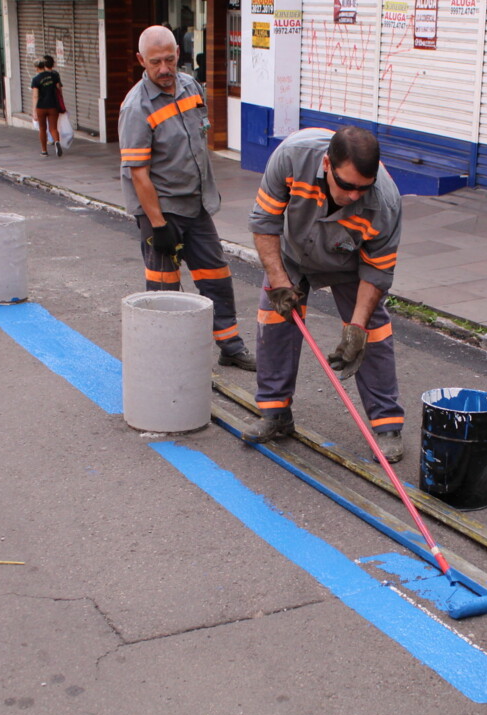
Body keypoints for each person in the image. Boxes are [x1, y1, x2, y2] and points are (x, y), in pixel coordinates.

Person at [242, 126, 406, 463]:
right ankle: (275, 414)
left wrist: (356, 328)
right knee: (275, 322)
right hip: (293, 253)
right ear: (327, 164)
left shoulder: (386, 202)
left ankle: (387, 426)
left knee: (372, 333)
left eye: (363, 188)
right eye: (347, 185)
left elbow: (377, 272)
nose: (354, 196)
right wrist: (279, 282)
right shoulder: (292, 157)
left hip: (349, 260)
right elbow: (264, 221)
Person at [118, 25, 255, 371]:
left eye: (169, 59)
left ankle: (230, 346)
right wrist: (158, 225)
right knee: (164, 288)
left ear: (178, 53)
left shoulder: (191, 87)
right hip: (162, 211)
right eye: (155, 62)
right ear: (140, 60)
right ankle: (166, 357)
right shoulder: (136, 107)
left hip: (196, 205)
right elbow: (138, 173)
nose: (164, 69)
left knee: (216, 276)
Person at [31, 58, 62, 157]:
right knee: (53, 128)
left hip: (41, 107)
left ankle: (44, 151)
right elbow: (59, 89)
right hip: (53, 105)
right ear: (44, 66)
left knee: (42, 128)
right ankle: (57, 141)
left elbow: (35, 96)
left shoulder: (36, 79)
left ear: (36, 67)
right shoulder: (53, 76)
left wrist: (34, 111)